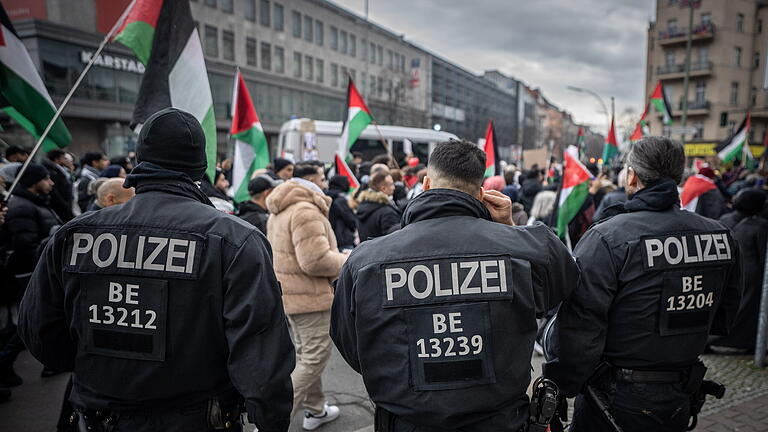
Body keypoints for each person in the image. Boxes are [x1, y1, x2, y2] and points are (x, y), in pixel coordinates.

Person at [18, 108, 295, 432]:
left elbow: (40, 333)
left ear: (140, 161)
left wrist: (102, 370)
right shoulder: (234, 240)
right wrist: (271, 422)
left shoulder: (73, 235)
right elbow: (261, 358)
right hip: (196, 417)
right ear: (198, 166)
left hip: (95, 415)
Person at [331, 139, 579, 432]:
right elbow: (566, 287)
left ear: (425, 184)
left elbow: (350, 340)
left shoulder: (366, 260)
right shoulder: (527, 246)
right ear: (482, 191)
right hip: (502, 421)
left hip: (408, 422)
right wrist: (511, 230)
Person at [543, 137, 743, 432]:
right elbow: (724, 319)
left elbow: (578, 330)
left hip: (614, 399)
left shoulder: (607, 238)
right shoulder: (721, 236)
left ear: (632, 176)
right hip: (680, 393)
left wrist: (560, 385)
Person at [266, 163, 347, 430]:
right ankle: (272, 420)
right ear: (312, 180)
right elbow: (315, 261)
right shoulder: (305, 210)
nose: (325, 183)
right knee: (313, 359)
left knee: (307, 356)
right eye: (322, 178)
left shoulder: (282, 208)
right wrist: (347, 259)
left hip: (292, 295)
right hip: (310, 297)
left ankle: (315, 410)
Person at [1, 163, 61, 386]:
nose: (51, 182)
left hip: (36, 268)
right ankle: (4, 362)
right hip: (29, 271)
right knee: (30, 319)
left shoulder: (35, 202)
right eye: (46, 178)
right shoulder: (22, 206)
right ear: (34, 182)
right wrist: (49, 254)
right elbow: (25, 244)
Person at [708, 188, 768, 353]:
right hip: (749, 274)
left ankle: (710, 339)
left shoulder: (724, 219)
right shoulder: (760, 226)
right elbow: (764, 256)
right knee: (745, 312)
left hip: (723, 269)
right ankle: (747, 342)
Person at [356, 171, 401, 242]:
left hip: (366, 251)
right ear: (383, 188)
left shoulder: (363, 206)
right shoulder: (386, 212)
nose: (394, 187)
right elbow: (394, 240)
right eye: (392, 184)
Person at [43, 149, 75, 223]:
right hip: (60, 207)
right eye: (63, 158)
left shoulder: (61, 170)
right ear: (57, 159)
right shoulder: (53, 172)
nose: (66, 160)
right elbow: (55, 192)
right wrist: (65, 204)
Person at [326, 175, 357, 251]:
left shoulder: (326, 197)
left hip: (331, 238)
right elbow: (351, 220)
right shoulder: (340, 200)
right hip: (344, 239)